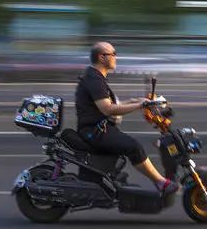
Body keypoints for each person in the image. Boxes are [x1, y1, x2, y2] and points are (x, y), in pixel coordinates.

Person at [75, 41, 179, 195]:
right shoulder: (94, 79)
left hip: (98, 128)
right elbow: (108, 109)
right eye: (113, 54)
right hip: (95, 132)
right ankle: (160, 183)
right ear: (102, 57)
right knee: (134, 146)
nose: (116, 57)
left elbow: (112, 104)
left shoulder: (95, 76)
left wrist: (139, 101)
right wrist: (139, 106)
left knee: (128, 145)